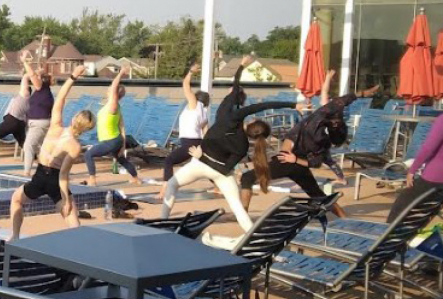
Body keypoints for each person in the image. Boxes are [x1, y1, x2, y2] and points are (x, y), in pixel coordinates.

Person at [160, 55, 295, 233]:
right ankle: (253, 236)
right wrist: (292, 105)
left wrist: (241, 66)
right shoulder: (243, 145)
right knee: (238, 208)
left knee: (171, 184)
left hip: (200, 163)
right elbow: (225, 169)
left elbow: (248, 98)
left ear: (251, 122)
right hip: (220, 173)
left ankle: (162, 223)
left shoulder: (230, 116)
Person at [239, 70, 377, 218]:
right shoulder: (325, 124)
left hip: (289, 161)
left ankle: (242, 217)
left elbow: (314, 162)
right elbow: (342, 101)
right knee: (316, 193)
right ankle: (344, 218)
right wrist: (361, 93)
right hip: (292, 161)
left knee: (247, 177)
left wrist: (294, 159)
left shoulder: (319, 131)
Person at [10, 65, 94, 241]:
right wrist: (67, 200)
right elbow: (63, 176)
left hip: (40, 175)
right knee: (71, 216)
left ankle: (15, 237)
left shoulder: (55, 125)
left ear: (73, 119)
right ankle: (82, 247)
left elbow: (61, 98)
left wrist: (73, 77)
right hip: (55, 179)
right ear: (86, 130)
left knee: (16, 200)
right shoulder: (75, 146)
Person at [83, 66, 142, 186]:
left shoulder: (113, 105)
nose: (108, 89)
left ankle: (92, 180)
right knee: (121, 159)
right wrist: (123, 145)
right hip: (115, 140)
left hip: (111, 141)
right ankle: (135, 178)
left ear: (114, 94)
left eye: (110, 89)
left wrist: (120, 74)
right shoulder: (115, 107)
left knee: (88, 154)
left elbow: (114, 86)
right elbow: (122, 127)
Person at [389, 113, 443, 221]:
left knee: (402, 203)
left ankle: (390, 235)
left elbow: (428, 148)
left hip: (436, 177)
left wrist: (413, 170)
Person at [163, 63, 209, 181]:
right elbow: (205, 131)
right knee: (205, 165)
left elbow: (185, 85)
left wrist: (191, 72)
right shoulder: (204, 112)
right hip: (198, 141)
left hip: (189, 142)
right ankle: (217, 186)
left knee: (169, 161)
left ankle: (166, 186)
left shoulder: (194, 104)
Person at [0, 63, 31, 170]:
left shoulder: (25, 96)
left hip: (12, 121)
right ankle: (44, 162)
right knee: (25, 146)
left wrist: (36, 73)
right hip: (20, 124)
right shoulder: (30, 103)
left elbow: (25, 77)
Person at [22, 43, 54, 175]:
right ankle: (51, 169)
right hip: (40, 122)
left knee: (28, 146)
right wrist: (38, 71)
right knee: (44, 148)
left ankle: (26, 172)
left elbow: (32, 76)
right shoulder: (44, 91)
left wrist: (25, 61)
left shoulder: (42, 88)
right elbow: (31, 77)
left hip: (39, 123)